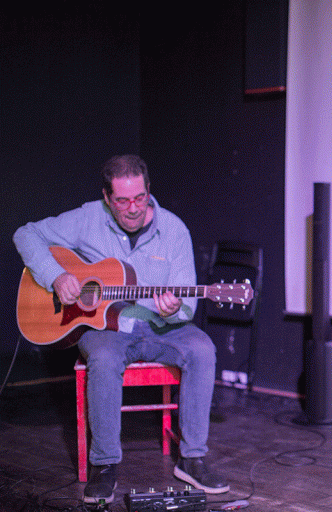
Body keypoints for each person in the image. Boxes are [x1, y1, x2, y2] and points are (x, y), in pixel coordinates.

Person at [13, 155, 229, 504]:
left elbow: (188, 305)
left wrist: (174, 309)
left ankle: (192, 458)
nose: (132, 208)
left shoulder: (174, 230)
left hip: (160, 328)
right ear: (106, 198)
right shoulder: (88, 217)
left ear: (148, 191)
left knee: (202, 348)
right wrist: (56, 275)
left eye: (140, 198)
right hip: (107, 328)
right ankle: (105, 465)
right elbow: (26, 234)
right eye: (122, 201)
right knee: (103, 356)